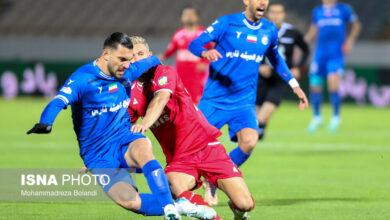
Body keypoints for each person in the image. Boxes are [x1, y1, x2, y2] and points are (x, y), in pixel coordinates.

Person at [26, 32, 212, 220]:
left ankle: (168, 209)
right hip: (97, 154)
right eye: (122, 59)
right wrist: (46, 122)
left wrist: (157, 63)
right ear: (106, 54)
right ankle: (180, 206)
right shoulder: (83, 79)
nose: (127, 64)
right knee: (130, 201)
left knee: (143, 150)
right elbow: (58, 101)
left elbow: (153, 59)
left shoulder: (128, 71)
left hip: (123, 137)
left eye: (129, 59)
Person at [188, 0, 309, 205]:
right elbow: (194, 43)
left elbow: (276, 58)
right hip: (214, 100)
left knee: (250, 141)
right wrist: (204, 52)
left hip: (243, 102)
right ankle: (174, 193)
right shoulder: (227, 23)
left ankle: (214, 180)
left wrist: (294, 84)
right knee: (192, 149)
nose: (263, 2)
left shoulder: (269, 29)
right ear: (246, 1)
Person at [128, 36, 255, 219]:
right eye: (132, 56)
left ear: (150, 55)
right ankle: (209, 215)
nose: (137, 59)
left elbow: (161, 98)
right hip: (179, 158)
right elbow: (119, 129)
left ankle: (237, 209)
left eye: (140, 54)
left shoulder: (164, 72)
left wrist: (145, 123)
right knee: (173, 186)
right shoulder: (132, 93)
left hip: (207, 147)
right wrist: (100, 156)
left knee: (246, 204)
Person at [256, 2, 310, 140]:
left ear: (284, 15)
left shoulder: (293, 33)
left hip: (281, 78)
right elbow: (250, 51)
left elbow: (305, 50)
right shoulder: (259, 30)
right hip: (262, 77)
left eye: (278, 12)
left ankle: (259, 132)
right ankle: (256, 136)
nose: (275, 15)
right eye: (272, 12)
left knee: (264, 116)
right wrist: (260, 66)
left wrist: (298, 67)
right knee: (252, 118)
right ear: (268, 14)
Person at [305, 0, 361, 132]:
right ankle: (316, 117)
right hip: (319, 54)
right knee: (315, 85)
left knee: (333, 85)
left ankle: (336, 116)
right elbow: (314, 29)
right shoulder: (317, 11)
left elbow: (356, 25)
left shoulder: (343, 9)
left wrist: (349, 41)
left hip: (335, 54)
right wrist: (304, 43)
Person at [158, 6, 213, 105]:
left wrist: (205, 63)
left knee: (197, 97)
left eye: (191, 14)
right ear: (182, 17)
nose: (189, 17)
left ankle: (199, 118)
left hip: (197, 72)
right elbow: (170, 51)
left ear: (197, 17)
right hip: (181, 71)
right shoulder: (178, 34)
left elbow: (213, 50)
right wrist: (161, 57)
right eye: (186, 15)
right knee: (181, 96)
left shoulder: (204, 34)